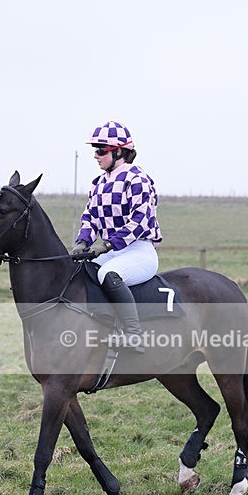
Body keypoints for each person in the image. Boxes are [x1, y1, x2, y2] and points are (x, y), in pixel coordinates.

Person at [71, 121, 162, 352]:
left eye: (101, 150)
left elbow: (139, 221)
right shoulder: (98, 184)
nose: (96, 155)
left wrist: (109, 244)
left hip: (138, 251)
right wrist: (83, 241)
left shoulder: (137, 179)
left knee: (108, 273)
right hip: (111, 251)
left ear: (119, 151)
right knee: (79, 271)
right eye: (95, 150)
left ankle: (134, 335)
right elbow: (90, 217)